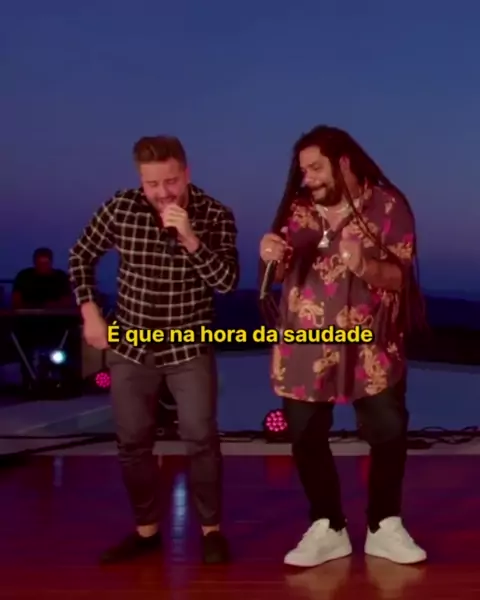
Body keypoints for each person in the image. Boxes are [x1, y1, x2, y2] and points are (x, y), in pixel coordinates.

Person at [259, 125, 427, 567]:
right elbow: (279, 273)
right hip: (305, 343)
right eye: (304, 170)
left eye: (316, 168)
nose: (308, 178)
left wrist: (363, 264)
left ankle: (384, 525)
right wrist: (270, 255)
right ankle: (328, 526)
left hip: (370, 342)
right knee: (305, 434)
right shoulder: (297, 209)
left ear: (344, 162)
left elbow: (401, 278)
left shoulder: (388, 206)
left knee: (388, 430)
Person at [69, 135, 239, 565]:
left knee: (200, 437)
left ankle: (211, 531)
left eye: (171, 181)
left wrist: (191, 239)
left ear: (187, 173)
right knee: (132, 441)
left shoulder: (215, 213)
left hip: (190, 345)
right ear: (140, 180)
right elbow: (80, 255)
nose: (163, 192)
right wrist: (90, 312)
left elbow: (227, 282)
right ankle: (146, 532)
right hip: (132, 344)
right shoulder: (121, 207)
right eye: (152, 184)